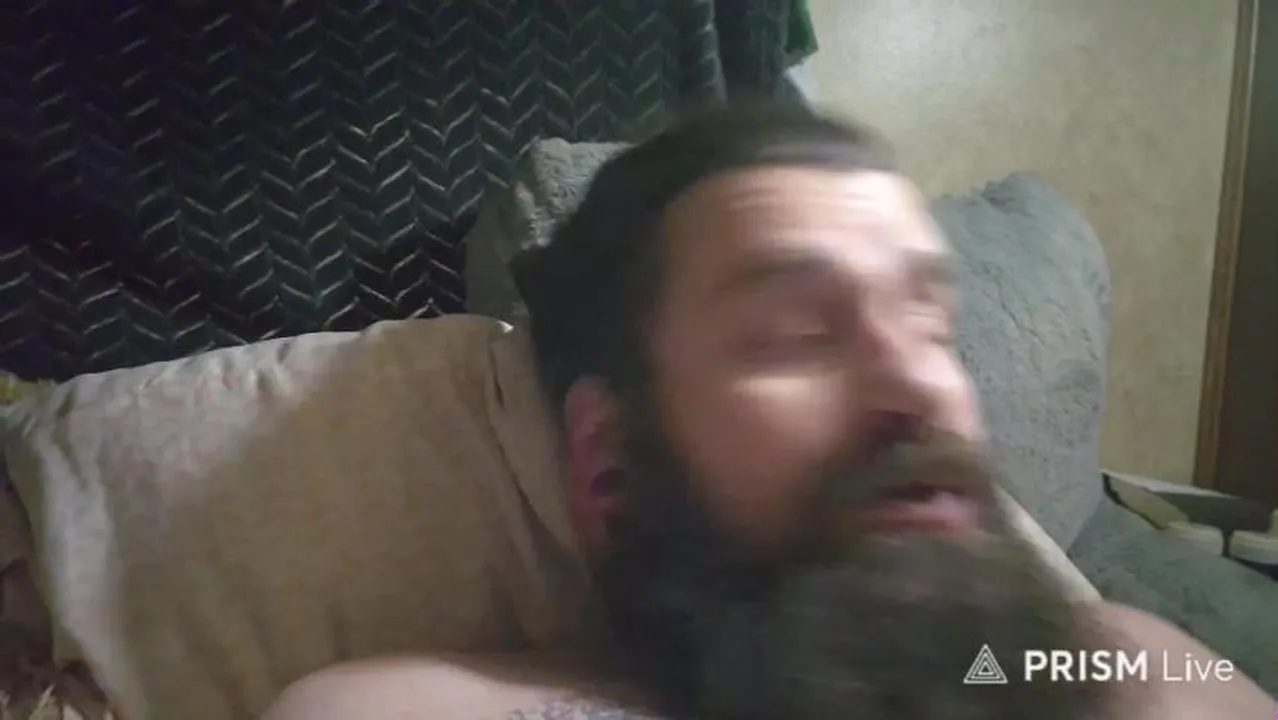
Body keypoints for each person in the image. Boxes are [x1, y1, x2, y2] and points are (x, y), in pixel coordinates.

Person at [262, 105, 1274, 720]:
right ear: (611, 466)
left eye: (930, 324)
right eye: (796, 333)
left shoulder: (1113, 660)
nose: (926, 386)